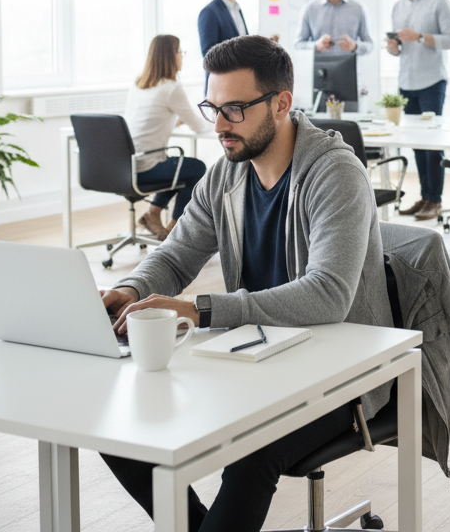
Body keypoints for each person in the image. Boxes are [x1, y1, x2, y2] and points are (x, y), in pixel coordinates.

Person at [99, 34, 394, 531]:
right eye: (212, 107)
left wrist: (201, 310)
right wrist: (129, 289)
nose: (217, 125)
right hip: (253, 357)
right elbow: (174, 256)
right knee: (118, 426)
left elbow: (328, 294)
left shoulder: (335, 173)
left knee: (252, 454)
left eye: (234, 109)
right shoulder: (224, 175)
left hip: (342, 374)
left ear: (281, 103)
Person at [388, 0, 450, 222]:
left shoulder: (440, 2)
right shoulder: (398, 6)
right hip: (406, 82)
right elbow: (399, 48)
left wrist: (419, 37)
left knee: (432, 144)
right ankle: (424, 197)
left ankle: (435, 200)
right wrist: (394, 47)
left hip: (431, 82)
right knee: (416, 145)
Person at [124, 35, 212, 240]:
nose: (182, 57)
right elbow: (199, 127)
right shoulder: (171, 88)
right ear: (170, 56)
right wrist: (221, 119)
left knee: (179, 169)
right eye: (180, 52)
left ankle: (153, 213)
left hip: (126, 166)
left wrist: (173, 121)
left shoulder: (139, 83)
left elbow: (146, 118)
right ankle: (173, 229)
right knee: (196, 169)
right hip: (148, 167)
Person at [197, 0, 278, 94]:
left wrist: (260, 45)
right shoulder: (209, 12)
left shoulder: (237, 10)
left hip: (238, 89)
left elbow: (239, 46)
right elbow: (209, 56)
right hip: (220, 91)